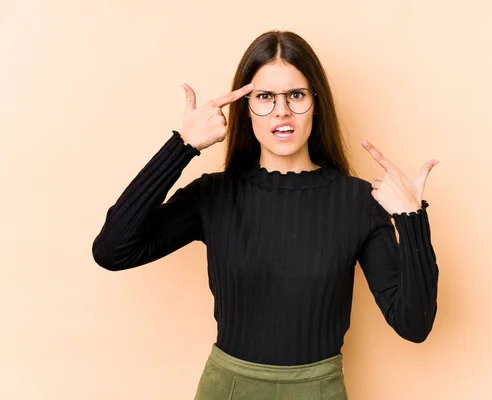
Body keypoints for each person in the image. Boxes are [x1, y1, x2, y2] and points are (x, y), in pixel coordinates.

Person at [92, 30, 440, 400]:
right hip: (228, 390)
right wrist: (181, 146)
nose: (282, 111)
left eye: (296, 95)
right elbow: (113, 250)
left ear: (316, 102)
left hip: (318, 391)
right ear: (246, 106)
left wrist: (410, 218)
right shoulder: (215, 195)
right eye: (264, 97)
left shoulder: (358, 202)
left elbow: (413, 325)